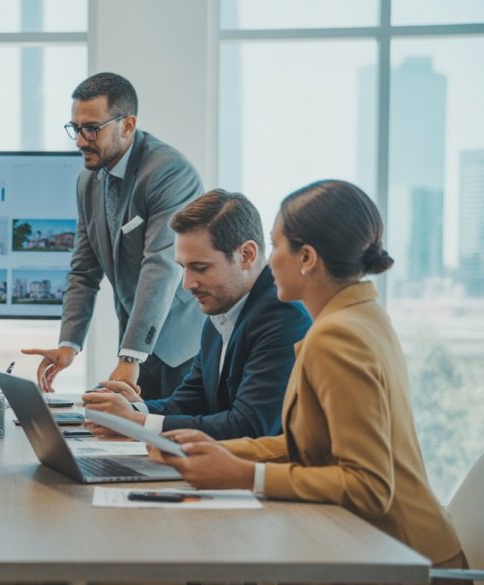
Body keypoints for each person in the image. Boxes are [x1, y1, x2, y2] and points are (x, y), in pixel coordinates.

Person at [151, 179, 466, 569]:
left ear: (308, 258)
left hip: (401, 558)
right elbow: (313, 446)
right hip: (395, 548)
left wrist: (248, 475)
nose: (269, 259)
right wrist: (216, 452)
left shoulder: (337, 336)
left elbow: (369, 488)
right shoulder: (361, 315)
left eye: (276, 244)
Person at [23, 72, 205, 400]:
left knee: (179, 440)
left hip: (183, 346)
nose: (80, 140)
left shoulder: (168, 172)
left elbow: (161, 266)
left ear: (127, 125)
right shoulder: (88, 182)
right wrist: (69, 345)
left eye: (91, 128)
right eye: (75, 129)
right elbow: (83, 271)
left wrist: (130, 355)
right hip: (135, 339)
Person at [83, 190, 310, 439]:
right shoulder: (222, 308)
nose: (187, 284)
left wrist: (138, 422)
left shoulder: (283, 316)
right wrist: (133, 409)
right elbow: (192, 400)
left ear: (246, 255)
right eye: (183, 268)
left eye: (200, 268)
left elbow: (249, 427)